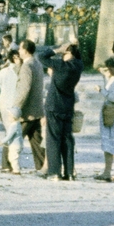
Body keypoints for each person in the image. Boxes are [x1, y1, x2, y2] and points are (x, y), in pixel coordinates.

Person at [42, 43, 82, 181]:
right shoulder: (78, 66)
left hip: (54, 105)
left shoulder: (60, 65)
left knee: (53, 139)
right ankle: (69, 172)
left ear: (67, 53)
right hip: (68, 105)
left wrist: (56, 50)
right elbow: (78, 58)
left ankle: (54, 172)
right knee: (67, 139)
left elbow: (41, 56)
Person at [18, 38, 47, 171]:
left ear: (25, 50)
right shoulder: (38, 64)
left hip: (27, 110)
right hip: (37, 108)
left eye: (20, 48)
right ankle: (41, 165)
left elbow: (24, 89)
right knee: (36, 141)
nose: (18, 50)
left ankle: (7, 165)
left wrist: (16, 107)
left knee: (14, 137)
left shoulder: (27, 66)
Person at [0, 50, 25, 173]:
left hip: (3, 103)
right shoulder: (21, 71)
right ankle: (10, 163)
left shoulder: (3, 71)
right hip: (14, 104)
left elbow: (0, 85)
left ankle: (6, 163)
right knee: (13, 132)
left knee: (8, 132)